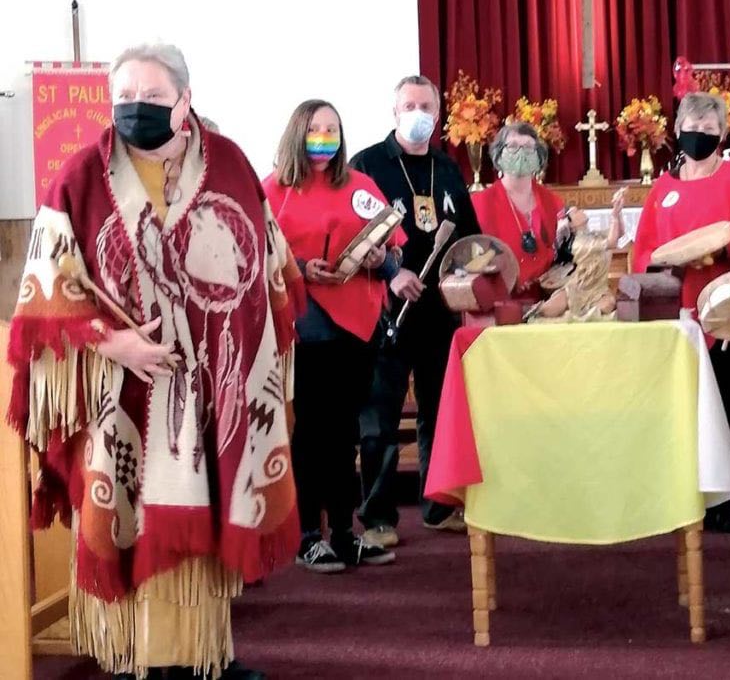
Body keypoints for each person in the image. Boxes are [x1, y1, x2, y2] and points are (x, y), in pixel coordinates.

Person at [7, 43, 304, 679]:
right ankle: (141, 661)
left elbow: (265, 269)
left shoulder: (228, 164)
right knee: (130, 522)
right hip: (119, 391)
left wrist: (224, 347)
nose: (136, 109)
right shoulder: (78, 176)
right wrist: (113, 342)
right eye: (124, 99)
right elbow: (45, 289)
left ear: (185, 100)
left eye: (152, 98)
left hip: (216, 388)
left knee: (210, 515)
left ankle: (205, 659)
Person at [264, 100, 403, 572]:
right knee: (313, 433)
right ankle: (308, 536)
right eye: (316, 129)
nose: (325, 137)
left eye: (333, 129)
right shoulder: (273, 191)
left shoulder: (360, 186)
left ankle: (345, 533)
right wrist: (302, 268)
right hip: (308, 324)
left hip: (360, 324)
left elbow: (395, 256)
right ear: (298, 132)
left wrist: (379, 261)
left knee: (346, 432)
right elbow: (257, 259)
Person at [351, 75, 481, 547]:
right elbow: (353, 236)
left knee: (437, 411)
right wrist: (391, 271)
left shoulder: (447, 170)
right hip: (385, 311)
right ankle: (380, 517)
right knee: (379, 417)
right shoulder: (366, 165)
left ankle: (438, 504)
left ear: (438, 113)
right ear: (394, 112)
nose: (417, 112)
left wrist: (467, 277)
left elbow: (467, 239)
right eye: (408, 104)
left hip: (438, 312)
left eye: (425, 105)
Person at [624, 91, 730, 532]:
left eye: (707, 129)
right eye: (690, 126)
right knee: (683, 403)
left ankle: (728, 494)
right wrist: (668, 261)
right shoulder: (663, 188)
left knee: (725, 401)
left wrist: (722, 251)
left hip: (724, 310)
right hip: (676, 312)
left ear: (722, 133)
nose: (697, 135)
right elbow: (644, 250)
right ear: (677, 129)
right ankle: (684, 491)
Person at [472, 121, 564, 300]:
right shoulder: (480, 203)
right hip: (500, 303)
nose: (521, 153)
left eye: (529, 147)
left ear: (539, 157)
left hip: (548, 300)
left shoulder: (553, 202)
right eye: (513, 146)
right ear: (498, 156)